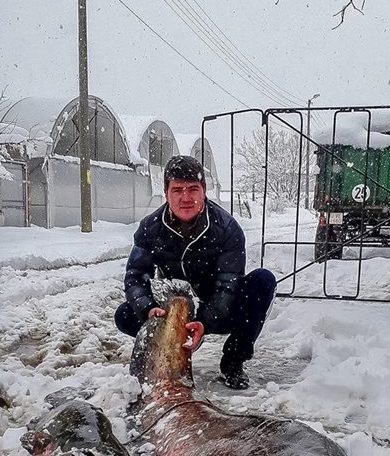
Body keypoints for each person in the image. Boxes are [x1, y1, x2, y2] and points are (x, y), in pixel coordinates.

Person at [115, 154, 276, 390]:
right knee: (125, 315)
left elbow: (227, 286)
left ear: (204, 190)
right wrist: (148, 308)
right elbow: (135, 276)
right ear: (166, 192)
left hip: (218, 306)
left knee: (263, 281)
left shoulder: (227, 228)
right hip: (173, 309)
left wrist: (204, 322)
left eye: (193, 189)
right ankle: (163, 353)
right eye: (177, 189)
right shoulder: (150, 227)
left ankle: (233, 360)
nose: (186, 198)